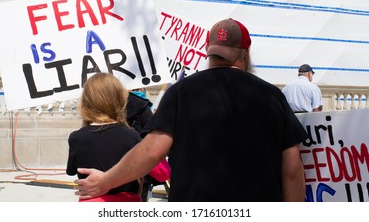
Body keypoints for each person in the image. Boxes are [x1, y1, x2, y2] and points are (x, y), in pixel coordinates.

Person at [74, 18, 308, 202]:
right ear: (245, 54)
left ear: (209, 52)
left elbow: (151, 152)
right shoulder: (272, 96)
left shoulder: (180, 92)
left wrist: (106, 181)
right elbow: (292, 170)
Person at [66, 72, 142, 202]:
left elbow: (71, 170)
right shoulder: (132, 136)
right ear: (120, 100)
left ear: (86, 102)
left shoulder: (76, 137)